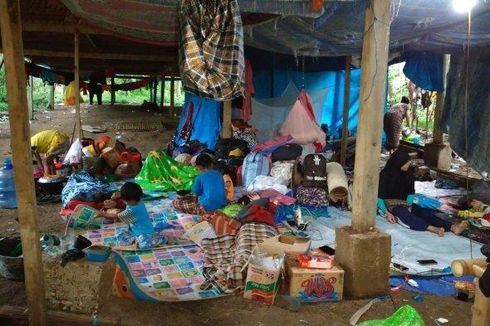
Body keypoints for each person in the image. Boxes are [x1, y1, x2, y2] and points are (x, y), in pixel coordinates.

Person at [378, 149, 467, 236]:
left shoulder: (408, 174)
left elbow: (410, 192)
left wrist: (409, 206)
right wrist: (387, 213)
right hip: (389, 205)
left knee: (423, 212)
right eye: (406, 162)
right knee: (403, 214)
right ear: (398, 162)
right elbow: (379, 197)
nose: (408, 164)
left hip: (404, 203)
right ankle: (432, 229)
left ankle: (452, 227)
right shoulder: (385, 176)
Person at [97, 182, 165, 249]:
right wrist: (112, 199)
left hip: (145, 233)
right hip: (135, 230)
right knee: (120, 234)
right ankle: (139, 238)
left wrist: (103, 214)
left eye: (129, 202)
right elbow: (120, 193)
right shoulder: (138, 199)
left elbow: (116, 216)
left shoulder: (132, 210)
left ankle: (161, 238)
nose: (129, 203)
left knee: (143, 245)